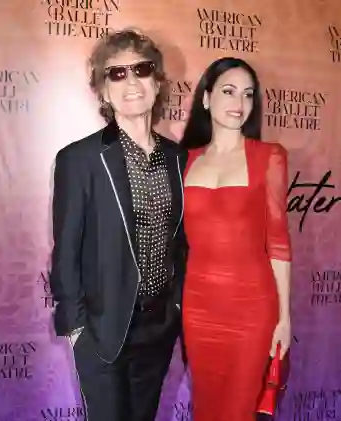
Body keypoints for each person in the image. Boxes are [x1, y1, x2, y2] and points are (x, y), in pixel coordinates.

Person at [49, 29, 188, 421]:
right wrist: (77, 330)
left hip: (158, 328)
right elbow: (66, 252)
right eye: (116, 73)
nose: (131, 81)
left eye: (141, 69)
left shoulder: (179, 159)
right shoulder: (80, 160)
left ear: (157, 82)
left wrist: (175, 306)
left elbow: (181, 242)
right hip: (101, 330)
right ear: (103, 91)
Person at [180, 57, 292, 421]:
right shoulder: (184, 160)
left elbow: (278, 242)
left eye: (247, 95)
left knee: (239, 411)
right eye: (229, 92)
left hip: (252, 308)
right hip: (198, 308)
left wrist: (284, 317)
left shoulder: (269, 157)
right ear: (207, 98)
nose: (239, 103)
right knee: (208, 408)